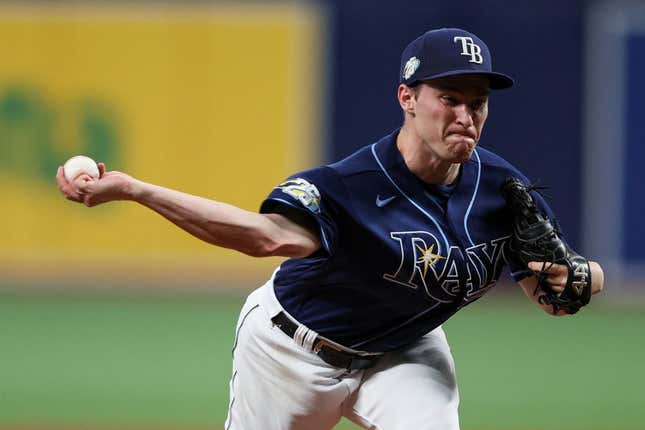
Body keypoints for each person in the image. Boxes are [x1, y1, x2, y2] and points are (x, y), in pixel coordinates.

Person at [56, 28, 604, 430]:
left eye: (477, 103)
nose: (465, 116)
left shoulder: (503, 190)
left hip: (403, 350)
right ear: (407, 99)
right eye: (450, 99)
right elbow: (264, 237)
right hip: (289, 350)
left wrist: (584, 276)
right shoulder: (350, 185)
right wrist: (136, 190)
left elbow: (553, 290)